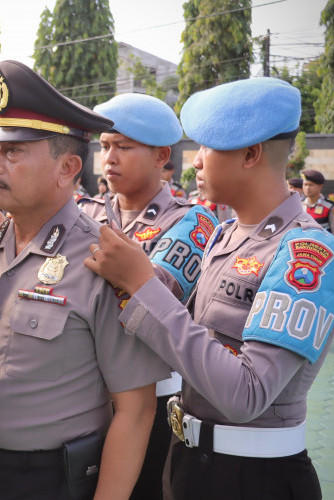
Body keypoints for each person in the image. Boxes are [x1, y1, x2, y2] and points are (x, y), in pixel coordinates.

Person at [85, 77, 334, 500]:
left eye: (207, 147)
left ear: (250, 154)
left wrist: (141, 284)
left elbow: (246, 394)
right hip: (189, 463)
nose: (195, 163)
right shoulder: (226, 236)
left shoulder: (307, 253)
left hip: (254, 478)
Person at [0, 60, 170, 500]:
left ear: (67, 168)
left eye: (13, 152)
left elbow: (136, 407)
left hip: (51, 480)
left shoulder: (103, 259)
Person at [78, 92, 218, 500]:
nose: (110, 158)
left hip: (150, 400)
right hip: (85, 394)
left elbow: (151, 298)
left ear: (161, 156)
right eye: (104, 146)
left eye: (124, 147)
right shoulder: (88, 213)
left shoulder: (191, 220)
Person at [301, 168, 334, 242]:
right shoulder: (300, 206)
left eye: (311, 185)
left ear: (320, 186)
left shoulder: (330, 207)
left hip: (323, 250)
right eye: (305, 184)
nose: (307, 188)